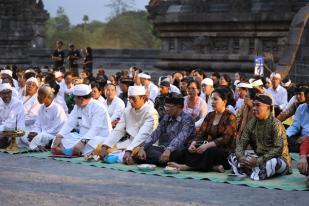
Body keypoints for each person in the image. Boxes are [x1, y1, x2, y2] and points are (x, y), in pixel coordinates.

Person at [168, 88, 237, 172]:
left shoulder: (230, 117)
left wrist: (207, 145)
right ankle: (213, 167)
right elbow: (200, 133)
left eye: (215, 99)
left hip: (223, 151)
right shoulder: (210, 115)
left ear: (224, 102)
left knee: (208, 152)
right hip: (206, 147)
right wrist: (193, 144)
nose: (212, 102)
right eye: (212, 99)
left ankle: (188, 167)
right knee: (187, 149)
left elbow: (225, 139)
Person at [228, 94, 291, 180]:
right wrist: (241, 157)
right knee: (232, 156)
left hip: (277, 159)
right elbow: (241, 144)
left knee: (273, 163)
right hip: (258, 158)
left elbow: (278, 149)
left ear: (268, 108)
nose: (254, 108)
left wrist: (258, 161)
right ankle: (255, 171)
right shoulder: (252, 123)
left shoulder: (275, 124)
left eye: (258, 105)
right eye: (253, 105)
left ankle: (247, 171)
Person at [98, 86, 159, 165]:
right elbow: (119, 129)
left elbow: (143, 135)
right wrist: (105, 146)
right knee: (99, 148)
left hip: (144, 145)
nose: (131, 101)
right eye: (129, 98)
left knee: (134, 154)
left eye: (133, 98)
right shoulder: (128, 110)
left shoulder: (151, 113)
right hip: (129, 143)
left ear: (143, 98)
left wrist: (129, 150)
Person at [51, 84, 112, 156]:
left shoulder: (99, 107)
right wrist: (59, 136)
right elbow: (70, 123)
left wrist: (82, 142)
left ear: (81, 99)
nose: (73, 99)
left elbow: (95, 129)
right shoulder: (77, 106)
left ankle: (67, 151)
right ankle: (69, 151)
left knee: (92, 143)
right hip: (81, 136)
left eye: (75, 97)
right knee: (61, 138)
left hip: (99, 137)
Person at [136, 93, 195, 166]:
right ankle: (162, 161)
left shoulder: (187, 119)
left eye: (169, 106)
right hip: (164, 150)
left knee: (178, 153)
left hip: (179, 151)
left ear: (179, 106)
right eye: (165, 106)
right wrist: (143, 147)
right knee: (146, 149)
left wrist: (169, 149)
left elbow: (180, 138)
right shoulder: (166, 117)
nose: (166, 109)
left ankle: (155, 161)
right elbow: (156, 133)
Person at [21, 85, 67, 151]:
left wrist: (38, 134)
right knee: (24, 134)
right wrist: (34, 132)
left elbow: (57, 129)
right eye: (38, 95)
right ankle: (39, 145)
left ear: (48, 96)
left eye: (40, 95)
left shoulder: (57, 108)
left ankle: (34, 147)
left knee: (40, 137)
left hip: (52, 136)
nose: (37, 97)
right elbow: (37, 124)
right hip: (41, 135)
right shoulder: (41, 108)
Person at [0, 83, 25, 148]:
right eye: (4, 93)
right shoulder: (0, 102)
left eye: (8, 93)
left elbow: (11, 124)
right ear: (0, 94)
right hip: (3, 131)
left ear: (11, 93)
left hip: (15, 132)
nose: (6, 95)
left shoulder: (17, 103)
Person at [286, 88, 309, 153]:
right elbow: (295, 126)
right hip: (301, 138)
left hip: (306, 139)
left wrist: (307, 138)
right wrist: (285, 135)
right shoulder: (301, 107)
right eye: (307, 98)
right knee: (283, 141)